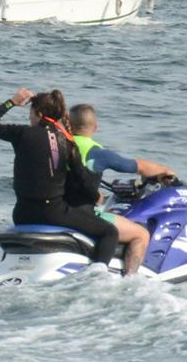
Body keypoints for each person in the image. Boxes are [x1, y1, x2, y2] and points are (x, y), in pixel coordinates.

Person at [0, 89, 120, 268]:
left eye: (30, 113)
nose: (29, 118)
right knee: (109, 232)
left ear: (37, 113)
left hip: (22, 214)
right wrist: (96, 197)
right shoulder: (67, 141)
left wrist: (12, 102)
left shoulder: (22, 133)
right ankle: (97, 273)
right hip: (52, 213)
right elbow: (83, 181)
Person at [67, 103, 176, 278]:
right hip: (82, 214)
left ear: (68, 124)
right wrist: (164, 171)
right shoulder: (96, 152)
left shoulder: (57, 144)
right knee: (140, 234)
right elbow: (137, 166)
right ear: (95, 127)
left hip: (57, 209)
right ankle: (130, 280)